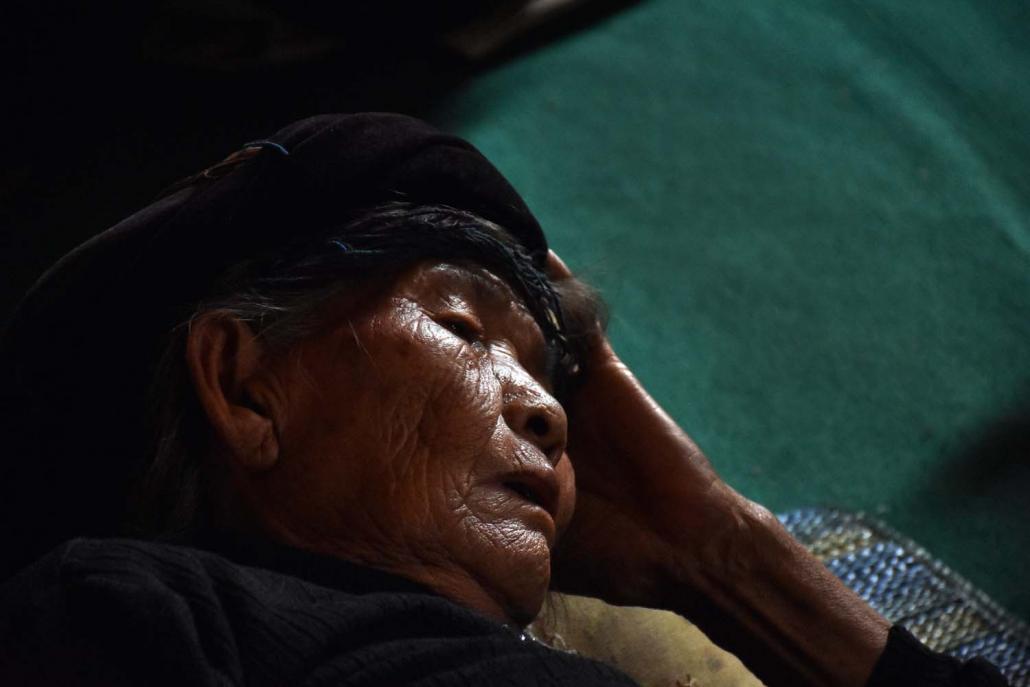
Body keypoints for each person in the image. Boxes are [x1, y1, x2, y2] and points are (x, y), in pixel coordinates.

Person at [0, 113, 1009, 686]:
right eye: (464, 330)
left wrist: (723, 561)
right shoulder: (124, 612)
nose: (550, 413)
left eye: (544, 373)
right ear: (242, 386)